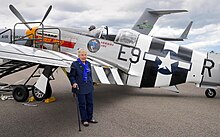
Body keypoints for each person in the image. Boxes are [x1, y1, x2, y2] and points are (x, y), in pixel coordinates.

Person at [68, 49, 98, 127]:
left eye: (85, 55)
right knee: (82, 104)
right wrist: (73, 83)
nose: (84, 56)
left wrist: (92, 82)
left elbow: (89, 75)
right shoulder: (75, 64)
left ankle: (90, 118)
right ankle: (84, 119)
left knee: (90, 103)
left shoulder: (88, 63)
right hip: (80, 87)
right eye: (82, 55)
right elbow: (71, 75)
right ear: (78, 55)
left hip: (88, 86)